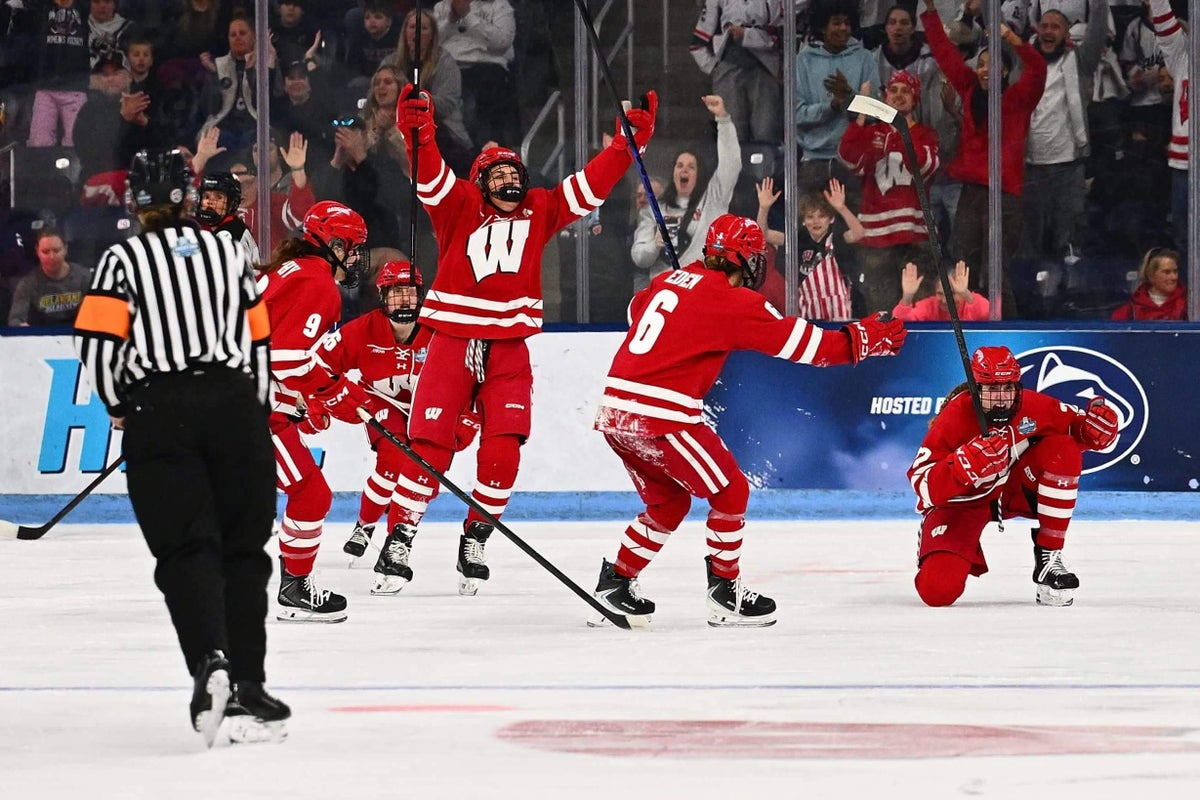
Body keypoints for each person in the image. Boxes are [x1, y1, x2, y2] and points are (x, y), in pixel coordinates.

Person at [383, 84, 658, 596]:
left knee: (505, 449)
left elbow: (589, 187)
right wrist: (416, 131)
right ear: (481, 181)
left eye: (514, 172)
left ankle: (475, 537)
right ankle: (401, 534)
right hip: (453, 341)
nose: (509, 179)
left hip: (509, 347)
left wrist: (623, 148)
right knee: (429, 446)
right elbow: (429, 175)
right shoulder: (459, 203)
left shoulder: (541, 207)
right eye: (498, 173)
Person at [589, 213, 907, 627]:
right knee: (731, 489)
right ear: (749, 261)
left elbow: (636, 313)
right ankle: (725, 593)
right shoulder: (734, 302)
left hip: (615, 412)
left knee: (669, 502)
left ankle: (616, 582)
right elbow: (808, 346)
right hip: (660, 416)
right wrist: (861, 340)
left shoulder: (667, 281)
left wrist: (686, 291)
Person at [73, 147, 288, 745]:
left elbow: (95, 344)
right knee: (245, 552)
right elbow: (259, 340)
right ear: (188, 199)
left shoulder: (123, 257)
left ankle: (210, 660)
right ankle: (248, 687)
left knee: (186, 547)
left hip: (160, 410)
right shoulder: (228, 249)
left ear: (135, 203)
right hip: (235, 408)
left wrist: (121, 405)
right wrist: (254, 408)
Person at [304, 260, 478, 591]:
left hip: (429, 409)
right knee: (394, 459)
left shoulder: (441, 331)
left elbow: (474, 376)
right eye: (396, 293)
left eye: (410, 293)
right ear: (383, 297)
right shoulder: (362, 330)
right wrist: (318, 401)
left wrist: (470, 416)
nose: (404, 300)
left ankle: (386, 534)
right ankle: (368, 526)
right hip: (381, 403)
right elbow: (319, 365)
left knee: (423, 472)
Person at [908, 346, 1120, 607]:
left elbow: (1078, 427)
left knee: (1062, 449)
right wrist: (961, 467)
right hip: (962, 504)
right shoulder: (954, 418)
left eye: (1008, 388)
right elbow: (921, 484)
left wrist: (1095, 433)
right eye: (992, 389)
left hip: (1012, 490)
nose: (1001, 398)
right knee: (938, 592)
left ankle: (1049, 558)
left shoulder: (1032, 405)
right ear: (976, 390)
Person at [259, 199, 370, 623]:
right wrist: (337, 396)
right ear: (334, 244)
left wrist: (306, 402)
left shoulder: (293, 271)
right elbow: (286, 361)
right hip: (246, 406)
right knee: (311, 494)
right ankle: (294, 589)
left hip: (243, 395)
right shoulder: (317, 283)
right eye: (354, 247)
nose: (357, 257)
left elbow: (272, 356)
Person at [922, 0, 1046, 319]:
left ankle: (1008, 334)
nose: (985, 70)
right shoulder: (966, 88)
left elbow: (1038, 69)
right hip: (971, 193)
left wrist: (1014, 40)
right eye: (981, 64)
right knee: (964, 264)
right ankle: (971, 327)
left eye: (993, 65)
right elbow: (943, 51)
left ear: (1004, 71)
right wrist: (931, 11)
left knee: (996, 270)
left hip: (1004, 195)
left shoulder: (1018, 98)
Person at [837, 69, 940, 313]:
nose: (899, 96)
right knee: (881, 314)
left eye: (906, 91)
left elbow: (925, 166)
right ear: (885, 98)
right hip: (876, 240)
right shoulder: (873, 133)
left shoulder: (926, 135)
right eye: (893, 90)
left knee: (921, 312)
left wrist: (899, 132)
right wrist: (863, 110)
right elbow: (848, 158)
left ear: (916, 99)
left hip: (916, 238)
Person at [630, 95, 741, 292]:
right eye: (680, 165)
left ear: (699, 175)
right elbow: (639, 258)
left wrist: (723, 120)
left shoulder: (713, 200)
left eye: (691, 167)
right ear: (673, 172)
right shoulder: (654, 210)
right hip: (665, 297)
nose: (684, 170)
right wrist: (655, 244)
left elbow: (731, 165)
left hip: (702, 292)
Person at [756, 178, 864, 321]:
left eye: (822, 216)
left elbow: (858, 233)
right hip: (807, 314)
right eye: (810, 217)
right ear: (803, 221)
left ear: (831, 219)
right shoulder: (797, 240)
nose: (816, 222)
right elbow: (763, 234)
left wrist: (841, 208)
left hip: (840, 314)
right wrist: (764, 208)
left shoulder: (837, 238)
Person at [689, 0, 784, 145]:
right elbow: (697, 44)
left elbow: (780, 34)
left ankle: (766, 168)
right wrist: (716, 68)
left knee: (767, 133)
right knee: (731, 135)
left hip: (765, 71)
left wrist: (747, 35)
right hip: (729, 72)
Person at [8, 229, 92, 327]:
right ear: (37, 251)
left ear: (65, 249)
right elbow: (15, 320)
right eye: (45, 252)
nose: (51, 257)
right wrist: (22, 329)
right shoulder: (28, 284)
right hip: (40, 338)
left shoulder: (84, 277)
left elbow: (100, 313)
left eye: (56, 251)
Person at [892, 259, 989, 321]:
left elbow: (986, 313)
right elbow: (900, 322)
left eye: (952, 293)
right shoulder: (929, 306)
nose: (945, 300)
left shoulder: (969, 303)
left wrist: (965, 293)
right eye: (940, 293)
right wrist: (907, 297)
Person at [196, 170, 258, 263]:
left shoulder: (231, 232)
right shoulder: (232, 226)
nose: (210, 202)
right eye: (206, 197)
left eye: (219, 197)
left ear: (231, 203)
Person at [1111, 246, 1188, 320]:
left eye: (1175, 271)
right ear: (1150, 275)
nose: (1174, 277)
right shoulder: (1129, 312)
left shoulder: (1189, 306)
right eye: (1167, 272)